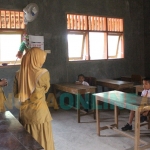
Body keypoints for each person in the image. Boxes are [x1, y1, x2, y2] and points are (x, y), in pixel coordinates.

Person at [13, 47, 55, 150]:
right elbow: (46, 88)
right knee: (42, 139)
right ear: (36, 58)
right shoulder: (43, 73)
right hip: (39, 113)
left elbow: (16, 94)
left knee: (26, 140)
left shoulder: (18, 74)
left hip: (25, 113)